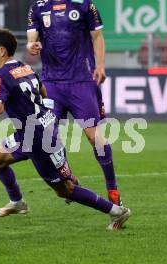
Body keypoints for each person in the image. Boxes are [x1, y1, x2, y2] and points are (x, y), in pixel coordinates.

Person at [0, 28, 130, 230]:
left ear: (2, 51)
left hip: (38, 139)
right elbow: (42, 91)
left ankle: (117, 212)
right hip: (38, 129)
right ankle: (18, 202)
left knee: (65, 190)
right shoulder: (24, 67)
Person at [26, 0, 123, 205]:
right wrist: (31, 46)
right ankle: (69, 178)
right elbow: (31, 38)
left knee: (93, 136)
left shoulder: (85, 5)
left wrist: (101, 65)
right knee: (50, 136)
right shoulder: (39, 7)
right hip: (51, 84)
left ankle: (113, 189)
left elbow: (97, 37)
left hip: (81, 81)